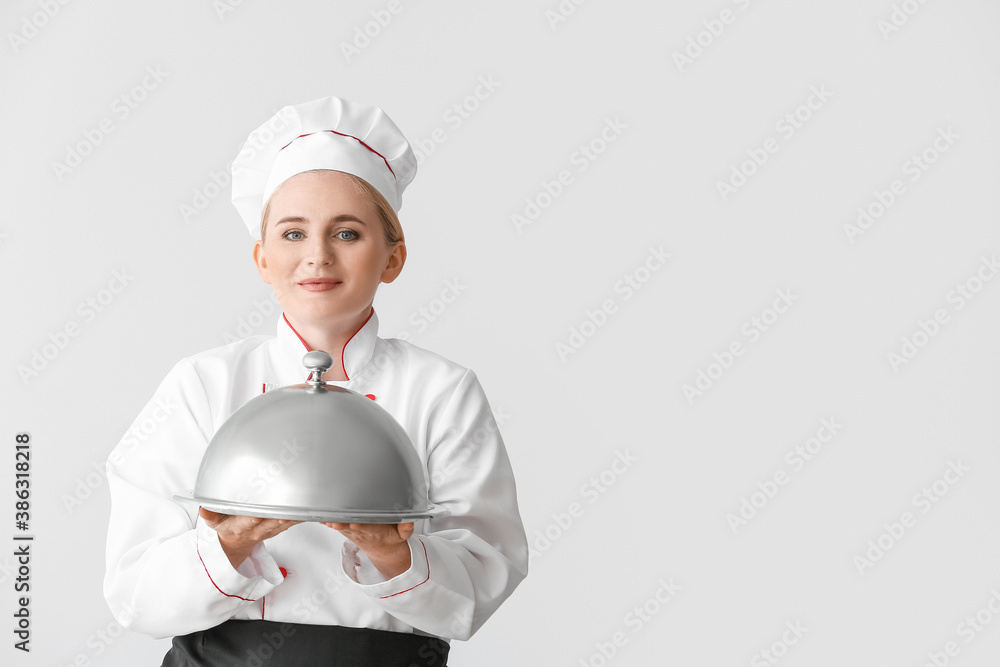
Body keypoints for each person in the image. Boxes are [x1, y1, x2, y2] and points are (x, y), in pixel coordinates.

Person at [103, 96, 528, 666]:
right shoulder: (203, 383)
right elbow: (135, 597)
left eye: (347, 234)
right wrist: (229, 543)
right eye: (293, 234)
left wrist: (392, 555)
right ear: (262, 258)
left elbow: (478, 588)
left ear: (393, 257)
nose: (318, 257)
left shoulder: (443, 390)